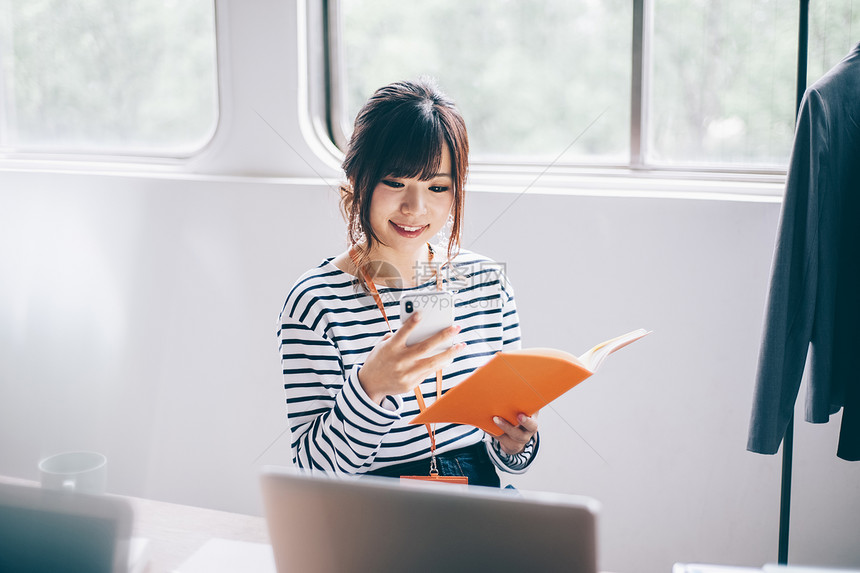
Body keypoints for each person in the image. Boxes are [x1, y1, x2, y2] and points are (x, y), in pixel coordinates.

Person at [278, 78, 539, 487]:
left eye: (437, 187)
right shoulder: (315, 302)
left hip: (480, 502)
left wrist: (515, 445)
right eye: (395, 182)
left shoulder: (487, 283)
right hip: (372, 509)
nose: (415, 208)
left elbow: (505, 458)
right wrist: (370, 388)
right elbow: (314, 471)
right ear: (357, 182)